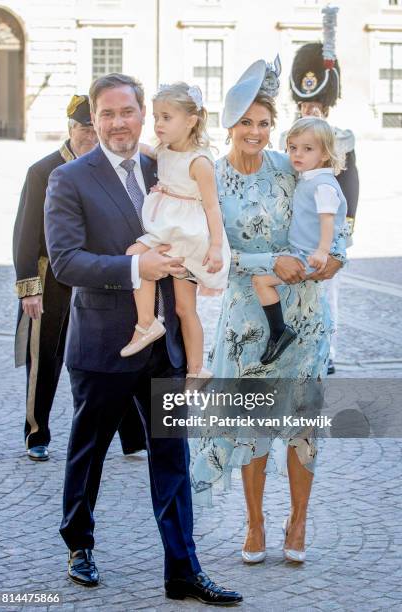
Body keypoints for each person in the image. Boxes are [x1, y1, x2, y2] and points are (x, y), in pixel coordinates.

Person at [44, 72, 242, 605]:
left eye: (127, 112)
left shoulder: (169, 161)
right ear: (93, 118)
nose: (118, 123)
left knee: (172, 459)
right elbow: (65, 262)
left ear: (143, 113)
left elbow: (207, 213)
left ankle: (183, 570)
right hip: (105, 346)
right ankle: (79, 545)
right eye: (105, 114)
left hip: (168, 345)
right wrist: (139, 269)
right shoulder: (70, 179)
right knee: (88, 453)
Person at [189, 58, 346, 565]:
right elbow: (204, 253)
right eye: (245, 123)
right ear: (229, 126)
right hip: (247, 323)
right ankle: (255, 523)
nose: (255, 132)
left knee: (304, 423)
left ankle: (297, 520)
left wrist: (337, 255)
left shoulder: (291, 165)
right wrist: (267, 260)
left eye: (263, 123)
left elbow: (332, 214)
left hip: (303, 317)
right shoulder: (209, 177)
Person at [120, 82, 230, 384]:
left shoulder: (200, 161)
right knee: (184, 307)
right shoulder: (165, 150)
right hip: (173, 229)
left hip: (187, 233)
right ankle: (197, 369)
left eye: (166, 117)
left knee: (135, 256)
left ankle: (147, 322)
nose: (158, 124)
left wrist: (217, 247)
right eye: (156, 117)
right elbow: (148, 150)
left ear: (191, 121)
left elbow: (212, 208)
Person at [12, 95, 100, 461]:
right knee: (44, 357)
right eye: (84, 129)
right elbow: (25, 233)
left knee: (104, 353)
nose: (90, 137)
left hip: (95, 272)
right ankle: (37, 433)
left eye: (96, 129)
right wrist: (29, 289)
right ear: (70, 129)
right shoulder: (43, 170)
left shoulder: (105, 166)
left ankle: (130, 436)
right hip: (50, 277)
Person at [281, 5, 360, 374]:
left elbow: (350, 182)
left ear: (325, 104)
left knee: (328, 291)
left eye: (314, 102)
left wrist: (344, 227)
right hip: (295, 229)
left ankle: (327, 351)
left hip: (327, 227)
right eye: (304, 102)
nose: (309, 107)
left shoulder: (338, 137)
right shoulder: (292, 138)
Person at [254, 116, 346, 365]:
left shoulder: (322, 185)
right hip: (301, 251)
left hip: (309, 256)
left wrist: (323, 252)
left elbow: (328, 221)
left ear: (325, 153)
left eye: (307, 149)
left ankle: (279, 331)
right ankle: (281, 330)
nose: (297, 154)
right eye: (293, 147)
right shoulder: (308, 178)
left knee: (262, 281)